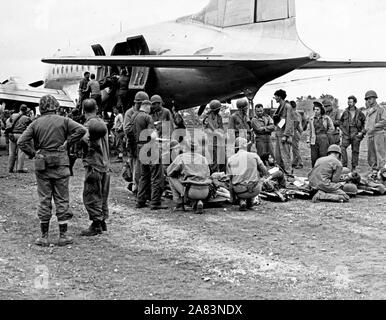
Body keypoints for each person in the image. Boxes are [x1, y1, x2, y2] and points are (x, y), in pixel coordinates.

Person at [17, 95, 86, 246]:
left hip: (42, 164)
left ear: (41, 108)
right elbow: (81, 130)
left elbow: (21, 141)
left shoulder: (35, 123)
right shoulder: (64, 120)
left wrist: (33, 153)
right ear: (56, 106)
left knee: (44, 199)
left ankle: (44, 236)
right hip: (61, 163)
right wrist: (68, 143)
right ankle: (63, 235)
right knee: (62, 199)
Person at [80, 99, 111, 236]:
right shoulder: (101, 123)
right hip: (105, 164)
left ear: (83, 109)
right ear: (97, 108)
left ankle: (96, 224)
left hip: (94, 163)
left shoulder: (88, 125)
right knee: (102, 193)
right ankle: (102, 220)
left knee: (91, 193)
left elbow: (85, 141)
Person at [135, 100, 168, 210]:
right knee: (156, 175)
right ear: (146, 106)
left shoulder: (135, 117)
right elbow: (153, 136)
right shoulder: (147, 117)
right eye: (150, 107)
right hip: (150, 148)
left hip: (140, 148)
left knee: (144, 175)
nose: (151, 109)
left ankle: (140, 200)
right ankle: (155, 202)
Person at [167, 139, 211, 214]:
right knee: (197, 180)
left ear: (185, 147)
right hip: (205, 191)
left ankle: (179, 203)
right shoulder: (204, 159)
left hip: (191, 191)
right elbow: (208, 174)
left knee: (171, 177)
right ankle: (198, 201)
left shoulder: (181, 157)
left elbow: (169, 172)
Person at [227, 137, 268, 211]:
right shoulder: (254, 156)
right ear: (246, 146)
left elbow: (229, 178)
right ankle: (250, 200)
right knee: (256, 177)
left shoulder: (231, 159)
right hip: (254, 189)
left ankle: (240, 200)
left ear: (236, 148)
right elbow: (265, 171)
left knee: (232, 182)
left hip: (239, 190)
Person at [123, 91, 149, 193]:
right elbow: (127, 129)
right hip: (133, 143)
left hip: (145, 143)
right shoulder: (129, 113)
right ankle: (136, 187)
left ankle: (143, 188)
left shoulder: (145, 112)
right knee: (136, 166)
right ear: (137, 103)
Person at [339, 95, 366, 171]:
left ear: (354, 102)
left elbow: (365, 123)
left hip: (356, 133)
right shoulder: (345, 112)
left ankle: (354, 167)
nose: (349, 103)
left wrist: (361, 132)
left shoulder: (359, 112)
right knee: (342, 147)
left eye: (351, 101)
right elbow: (340, 122)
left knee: (355, 151)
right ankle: (344, 165)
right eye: (348, 101)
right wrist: (342, 130)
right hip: (346, 133)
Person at [272, 89, 294, 173]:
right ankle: (281, 173)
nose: (275, 98)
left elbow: (289, 121)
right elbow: (282, 121)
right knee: (278, 156)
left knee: (285, 155)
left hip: (284, 135)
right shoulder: (280, 106)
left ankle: (288, 173)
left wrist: (286, 135)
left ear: (280, 97)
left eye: (276, 96)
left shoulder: (287, 106)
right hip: (279, 133)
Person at [363, 90, 386, 171]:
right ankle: (374, 172)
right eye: (367, 99)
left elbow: (384, 121)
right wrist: (365, 130)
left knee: (380, 155)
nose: (368, 100)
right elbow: (366, 122)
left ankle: (382, 173)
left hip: (378, 134)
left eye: (370, 98)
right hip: (370, 135)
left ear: (375, 98)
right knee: (371, 156)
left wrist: (374, 126)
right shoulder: (368, 111)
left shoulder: (381, 109)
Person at [306, 101, 334, 167]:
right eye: (314, 109)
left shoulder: (326, 118)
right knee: (314, 157)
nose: (316, 111)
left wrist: (326, 135)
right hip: (314, 139)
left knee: (323, 156)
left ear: (321, 110)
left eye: (317, 109)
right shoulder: (311, 119)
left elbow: (332, 128)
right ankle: (314, 172)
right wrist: (308, 141)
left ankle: (323, 172)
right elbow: (309, 130)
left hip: (324, 139)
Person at [6, 105, 32, 173]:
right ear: (26, 110)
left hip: (12, 135)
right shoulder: (27, 118)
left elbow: (7, 122)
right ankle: (19, 168)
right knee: (21, 152)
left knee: (12, 152)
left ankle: (10, 168)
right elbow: (31, 126)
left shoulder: (13, 115)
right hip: (21, 135)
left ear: (20, 109)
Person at [202, 100, 226, 173]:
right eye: (218, 108)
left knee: (223, 160)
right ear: (215, 109)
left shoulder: (219, 117)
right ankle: (214, 176)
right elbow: (206, 129)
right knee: (214, 161)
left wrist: (221, 133)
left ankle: (222, 174)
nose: (219, 110)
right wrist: (216, 133)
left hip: (220, 142)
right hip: (212, 143)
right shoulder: (207, 117)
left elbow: (221, 127)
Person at [290, 101, 304, 169]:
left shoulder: (294, 113)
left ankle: (300, 163)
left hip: (295, 132)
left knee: (295, 149)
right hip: (296, 132)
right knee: (294, 149)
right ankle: (294, 162)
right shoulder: (297, 113)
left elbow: (296, 123)